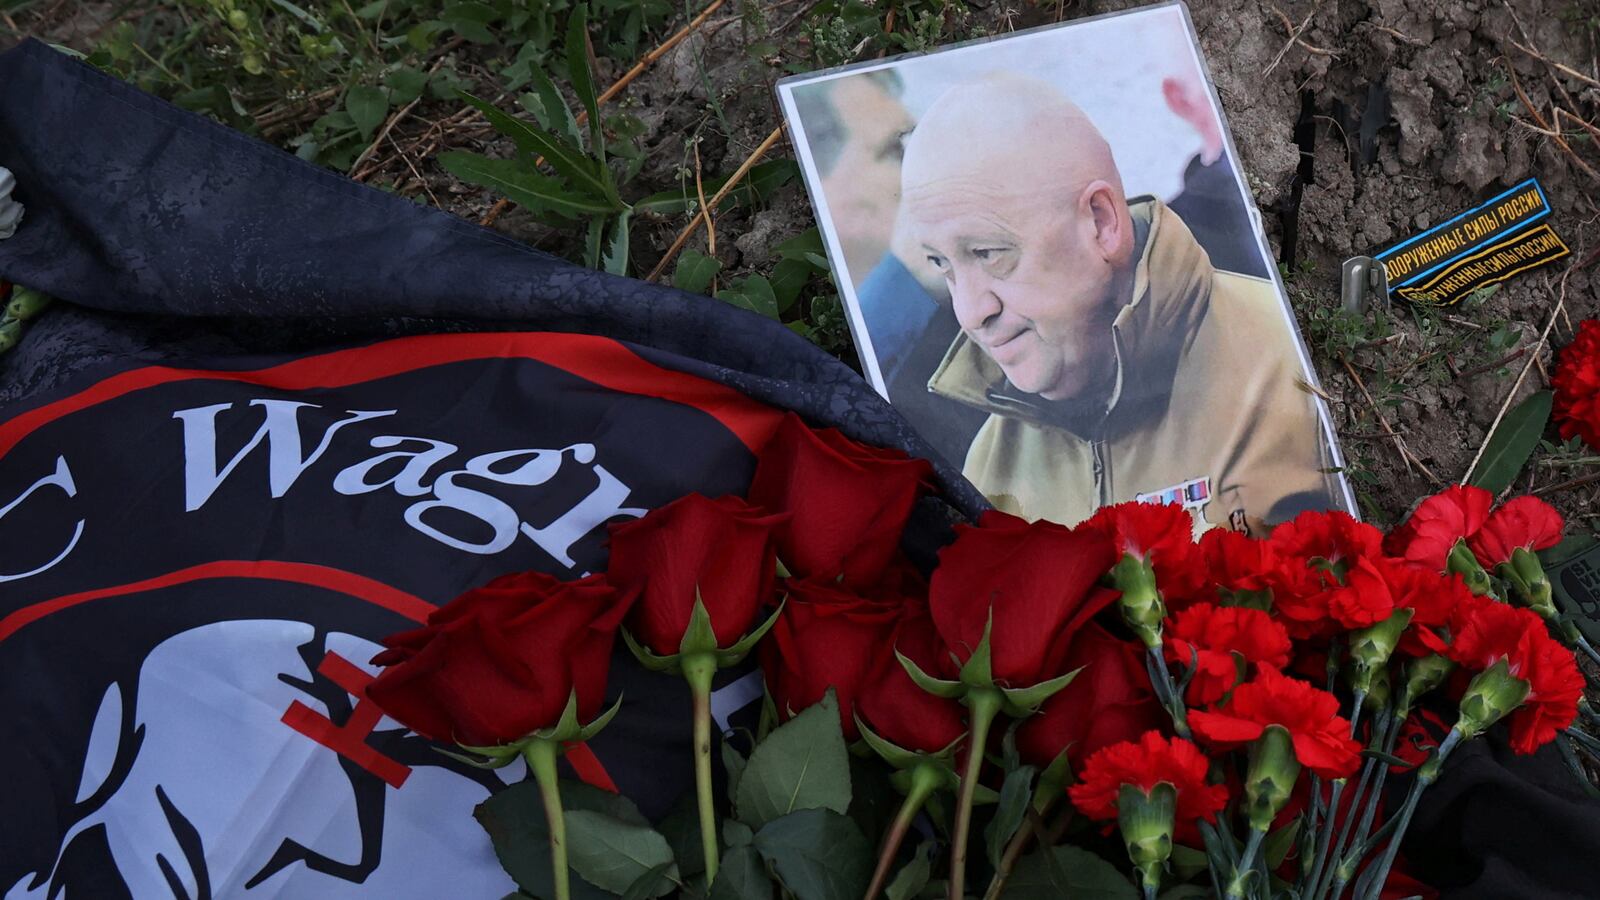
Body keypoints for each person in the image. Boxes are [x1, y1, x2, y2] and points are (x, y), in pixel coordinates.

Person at [900, 73, 1342, 534]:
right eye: (942, 265)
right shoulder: (989, 464)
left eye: (989, 253)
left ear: (1101, 222)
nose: (971, 313)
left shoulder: (1288, 359)